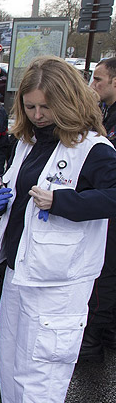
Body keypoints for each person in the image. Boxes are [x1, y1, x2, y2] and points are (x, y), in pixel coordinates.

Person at [0, 57, 116, 403]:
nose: (38, 116)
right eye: (31, 107)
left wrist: (64, 202)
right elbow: (13, 186)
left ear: (67, 101)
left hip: (61, 279)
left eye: (46, 108)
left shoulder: (95, 150)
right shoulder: (29, 141)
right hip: (21, 267)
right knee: (12, 356)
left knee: (42, 366)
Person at [80, 57, 116, 360]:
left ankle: (93, 340)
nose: (93, 85)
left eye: (99, 80)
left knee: (106, 273)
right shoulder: (107, 111)